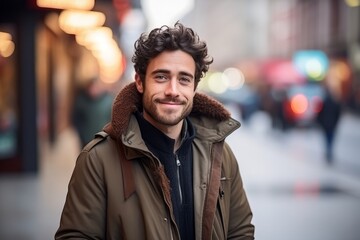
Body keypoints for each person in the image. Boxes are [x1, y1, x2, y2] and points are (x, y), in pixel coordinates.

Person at [55, 22, 254, 240]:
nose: (173, 91)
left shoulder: (220, 154)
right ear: (140, 82)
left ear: (194, 87)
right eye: (161, 77)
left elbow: (240, 231)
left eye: (184, 79)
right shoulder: (98, 159)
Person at [72, 77, 114, 147]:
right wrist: (81, 133)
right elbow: (76, 119)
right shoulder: (82, 100)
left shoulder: (108, 101)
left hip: (103, 138)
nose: (93, 90)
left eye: (95, 87)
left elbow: (112, 119)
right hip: (86, 139)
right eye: (91, 88)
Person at [317, 78, 342, 164]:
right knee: (330, 140)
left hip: (326, 125)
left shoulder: (324, 102)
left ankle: (328, 152)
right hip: (331, 125)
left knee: (327, 140)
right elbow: (338, 114)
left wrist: (320, 122)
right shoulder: (334, 103)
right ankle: (329, 152)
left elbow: (319, 114)